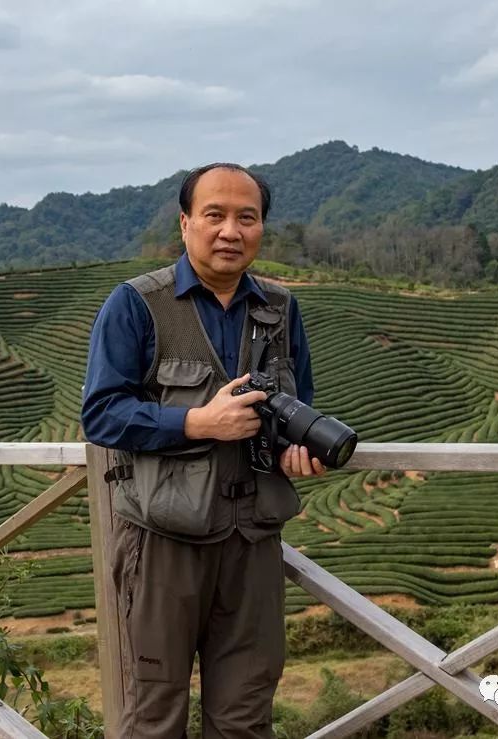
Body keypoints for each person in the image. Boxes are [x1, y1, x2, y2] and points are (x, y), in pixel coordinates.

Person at [82, 163, 325, 738]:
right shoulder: (137, 305)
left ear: (262, 228)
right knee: (154, 714)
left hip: (254, 538)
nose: (230, 231)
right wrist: (197, 422)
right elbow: (101, 414)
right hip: (163, 537)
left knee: (245, 714)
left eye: (248, 217)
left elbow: (301, 402)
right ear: (186, 222)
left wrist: (296, 448)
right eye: (214, 215)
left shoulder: (281, 308)